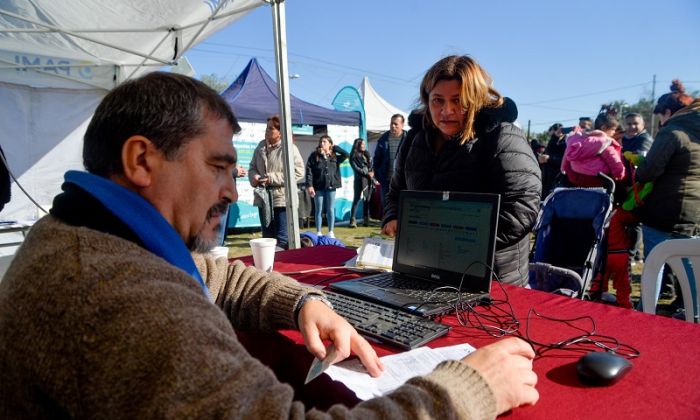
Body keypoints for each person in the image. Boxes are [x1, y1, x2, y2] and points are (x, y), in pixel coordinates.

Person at [0, 71, 539, 418]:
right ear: (141, 161)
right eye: (217, 167)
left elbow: (220, 275)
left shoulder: (94, 236)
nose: (232, 190)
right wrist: (466, 391)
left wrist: (304, 301)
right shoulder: (127, 298)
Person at [381, 55, 542, 286]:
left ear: (475, 99)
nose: (447, 110)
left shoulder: (503, 137)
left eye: (458, 100)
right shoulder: (415, 138)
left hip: (493, 280)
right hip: (425, 269)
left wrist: (454, 244)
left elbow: (522, 208)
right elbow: (396, 191)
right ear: (427, 100)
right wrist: (393, 216)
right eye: (438, 100)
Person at [635, 79, 699, 312]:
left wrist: (640, 167)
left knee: (655, 263)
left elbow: (649, 171)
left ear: (668, 112)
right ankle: (694, 311)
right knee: (691, 265)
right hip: (694, 213)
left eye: (660, 116)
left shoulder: (672, 131)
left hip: (665, 208)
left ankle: (645, 311)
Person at [248, 115, 304, 249]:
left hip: (282, 199)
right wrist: (254, 176)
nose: (266, 131)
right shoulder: (261, 146)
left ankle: (282, 268)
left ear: (280, 131)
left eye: (270, 128)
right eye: (266, 127)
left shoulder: (290, 148)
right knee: (267, 238)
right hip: (264, 198)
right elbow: (252, 167)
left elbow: (299, 172)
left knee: (282, 239)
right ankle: (267, 268)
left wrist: (272, 178)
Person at [560, 104, 626, 188]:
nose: (614, 133)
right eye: (613, 129)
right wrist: (619, 175)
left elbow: (567, 156)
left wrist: (564, 169)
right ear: (604, 127)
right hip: (595, 179)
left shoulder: (579, 140)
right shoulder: (604, 143)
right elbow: (614, 162)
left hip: (574, 176)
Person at [621, 112, 654, 262]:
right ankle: (635, 253)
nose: (632, 127)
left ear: (643, 125)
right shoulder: (625, 139)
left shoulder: (644, 140)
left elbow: (640, 162)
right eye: (629, 124)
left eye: (635, 123)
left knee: (635, 222)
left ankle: (632, 255)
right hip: (629, 184)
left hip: (640, 187)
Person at [305, 135, 349, 238]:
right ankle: (319, 231)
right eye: (321, 141)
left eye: (325, 141)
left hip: (331, 186)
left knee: (330, 209)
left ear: (330, 144)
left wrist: (335, 148)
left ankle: (331, 231)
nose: (322, 143)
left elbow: (347, 154)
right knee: (318, 209)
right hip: (318, 186)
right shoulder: (314, 155)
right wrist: (310, 185)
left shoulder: (334, 156)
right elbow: (309, 171)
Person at [373, 114, 406, 207]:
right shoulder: (383, 139)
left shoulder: (408, 138)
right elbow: (376, 159)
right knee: (387, 207)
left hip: (403, 182)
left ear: (402, 125)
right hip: (386, 182)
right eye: (391, 123)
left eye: (396, 124)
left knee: (402, 208)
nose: (393, 126)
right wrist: (378, 175)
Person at [349, 137, 378, 228]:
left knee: (367, 199)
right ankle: (352, 220)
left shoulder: (367, 154)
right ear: (357, 145)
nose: (364, 146)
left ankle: (366, 219)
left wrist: (372, 172)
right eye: (362, 144)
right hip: (359, 180)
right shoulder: (353, 156)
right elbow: (356, 169)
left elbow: (371, 166)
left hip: (368, 180)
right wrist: (367, 173)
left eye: (364, 144)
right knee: (357, 199)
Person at [540, 123, 566, 198]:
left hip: (559, 177)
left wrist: (549, 158)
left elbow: (563, 160)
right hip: (547, 177)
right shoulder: (553, 141)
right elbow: (549, 152)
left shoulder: (566, 142)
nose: (560, 131)